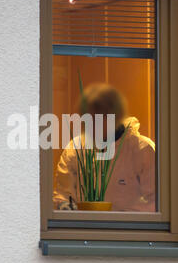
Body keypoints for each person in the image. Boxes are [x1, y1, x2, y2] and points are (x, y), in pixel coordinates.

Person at [53, 83, 156, 212]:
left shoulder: (143, 150)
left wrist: (121, 220)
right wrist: (65, 207)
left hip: (129, 230)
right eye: (90, 117)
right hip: (84, 229)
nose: (96, 122)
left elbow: (156, 201)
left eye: (103, 116)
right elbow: (63, 194)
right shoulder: (75, 149)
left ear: (117, 116)